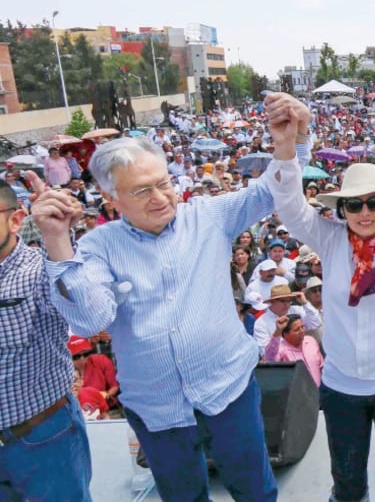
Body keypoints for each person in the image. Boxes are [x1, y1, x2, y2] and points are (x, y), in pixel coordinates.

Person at [29, 137, 279, 501]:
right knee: (182, 496)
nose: (160, 197)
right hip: (156, 405)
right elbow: (89, 319)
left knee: (256, 490)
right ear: (111, 198)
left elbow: (273, 189)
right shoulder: (98, 246)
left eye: (163, 183)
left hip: (228, 389)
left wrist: (292, 143)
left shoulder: (208, 216)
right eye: (142, 190)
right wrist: (57, 240)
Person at [265, 93, 375, 502]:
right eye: (354, 204)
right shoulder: (329, 240)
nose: (365, 212)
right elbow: (289, 207)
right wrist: (286, 148)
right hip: (342, 385)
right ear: (341, 209)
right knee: (346, 479)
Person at [0, 183, 93, 500]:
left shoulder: (39, 269)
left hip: (42, 437)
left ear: (15, 220)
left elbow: (85, 314)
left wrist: (57, 238)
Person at [263, 314, 323, 386]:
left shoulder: (310, 340)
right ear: (285, 334)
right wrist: (277, 332)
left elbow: (321, 366)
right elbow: (270, 359)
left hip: (319, 392)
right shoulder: (281, 349)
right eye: (297, 329)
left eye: (302, 327)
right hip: (296, 395)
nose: (301, 331)